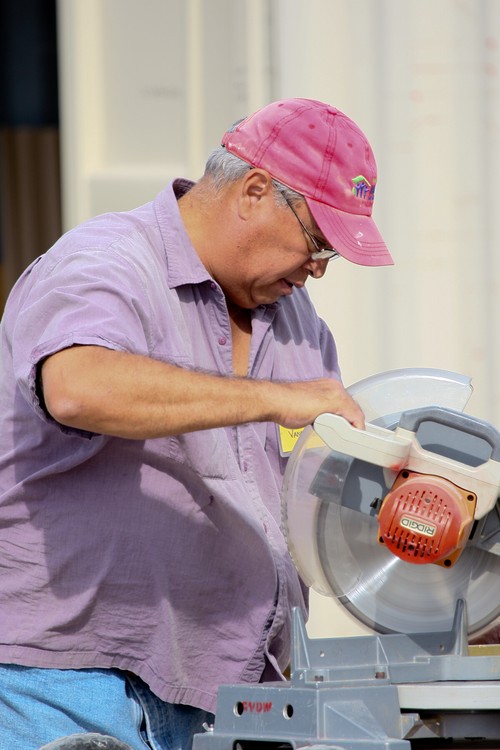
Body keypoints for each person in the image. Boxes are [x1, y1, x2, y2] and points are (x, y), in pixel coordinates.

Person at [0, 97, 393, 750]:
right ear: (255, 191)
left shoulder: (298, 324)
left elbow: (320, 498)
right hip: (65, 683)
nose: (319, 268)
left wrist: (445, 558)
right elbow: (75, 387)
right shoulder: (107, 262)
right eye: (318, 242)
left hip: (227, 693)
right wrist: (272, 398)